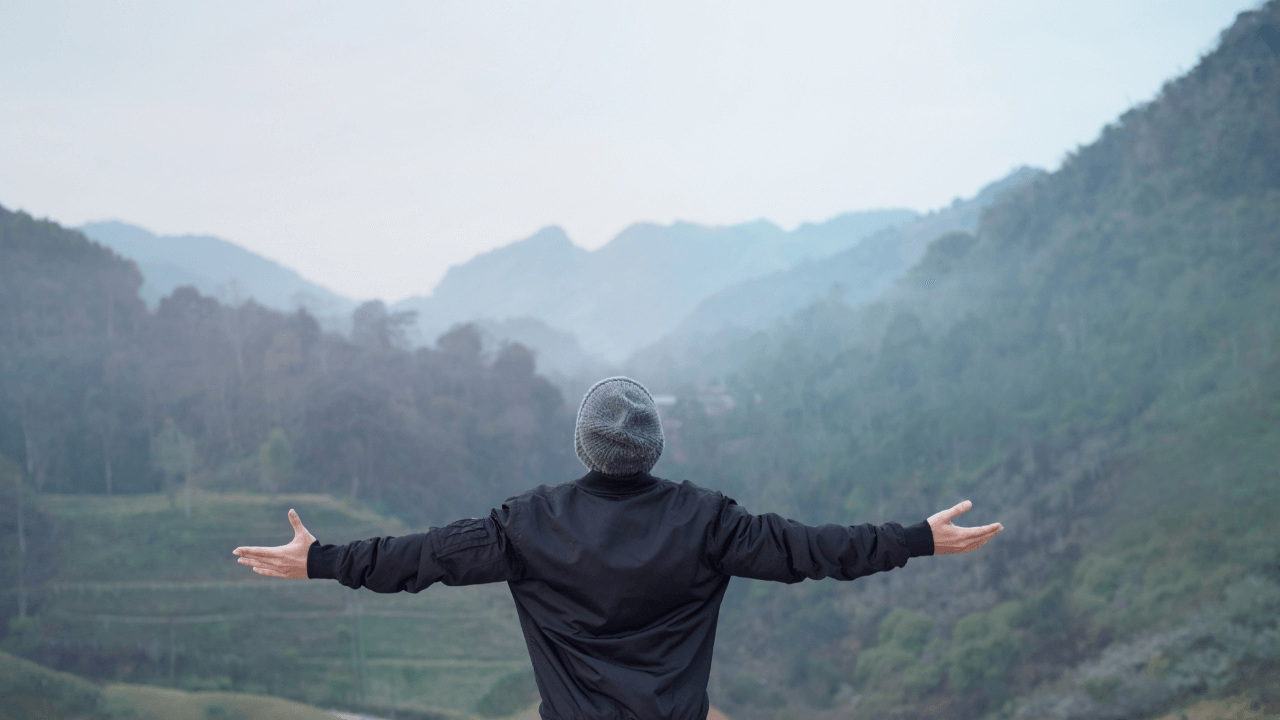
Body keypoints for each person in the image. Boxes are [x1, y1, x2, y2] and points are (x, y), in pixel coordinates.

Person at [234, 377, 1002, 720]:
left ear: (583, 446)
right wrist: (919, 539)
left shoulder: (525, 524)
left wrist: (320, 558)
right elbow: (813, 550)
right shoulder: (707, 520)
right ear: (655, 448)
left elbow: (420, 560)